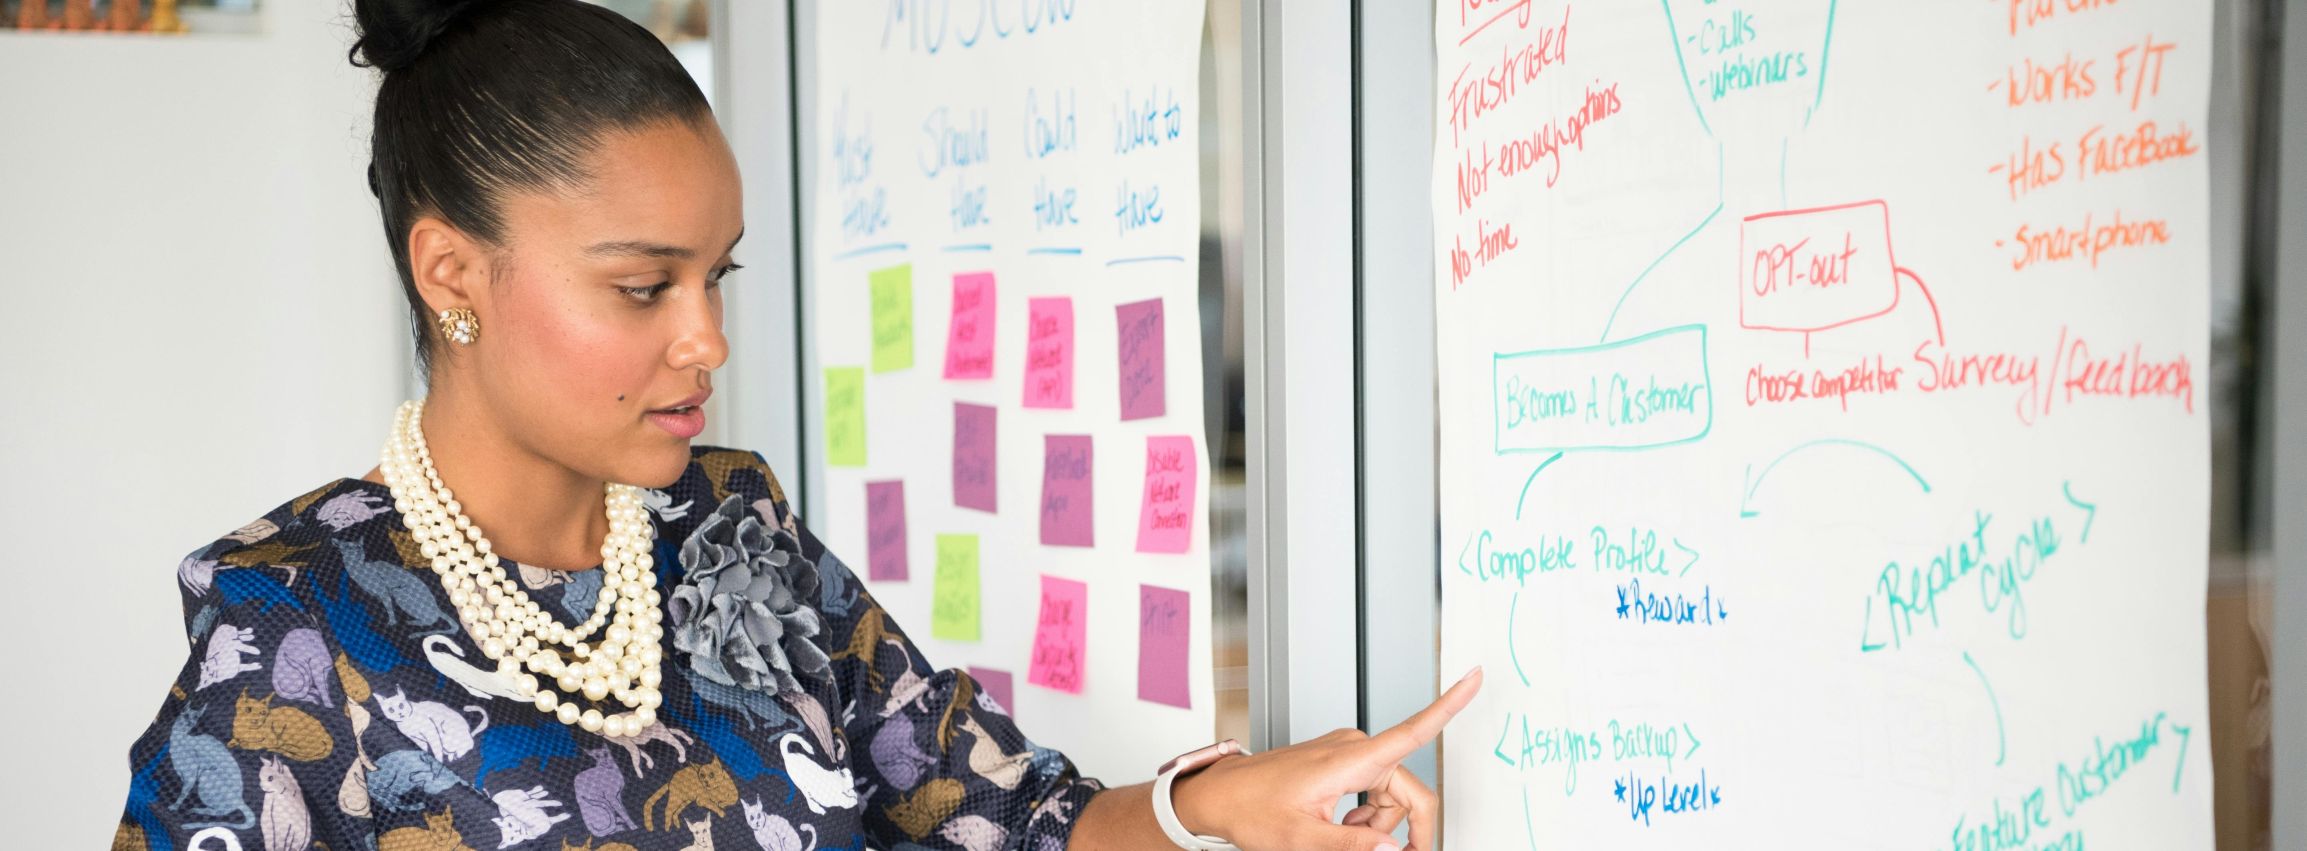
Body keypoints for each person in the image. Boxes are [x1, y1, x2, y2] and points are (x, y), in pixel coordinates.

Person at [109, 1, 1483, 849]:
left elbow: (994, 814)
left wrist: (1213, 811)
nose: (704, 339)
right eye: (643, 286)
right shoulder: (293, 621)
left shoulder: (730, 531)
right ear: (452, 273)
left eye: (719, 278)